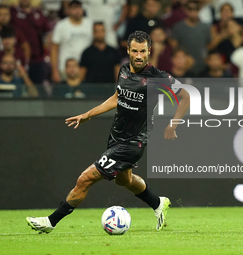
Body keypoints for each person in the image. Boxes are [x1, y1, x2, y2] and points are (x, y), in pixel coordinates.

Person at [26, 30, 190, 233]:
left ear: (149, 51)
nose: (139, 56)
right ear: (128, 50)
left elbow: (185, 97)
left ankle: (50, 222)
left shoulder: (158, 77)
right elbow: (116, 97)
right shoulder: (123, 71)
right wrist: (88, 114)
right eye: (135, 51)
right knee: (125, 180)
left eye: (143, 51)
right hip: (116, 137)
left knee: (85, 179)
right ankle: (158, 203)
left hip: (133, 142)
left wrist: (173, 124)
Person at [51, 0, 92, 83]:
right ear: (68, 10)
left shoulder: (89, 24)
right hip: (65, 69)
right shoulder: (61, 25)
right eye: (74, 8)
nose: (77, 11)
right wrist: (54, 71)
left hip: (85, 68)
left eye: (79, 8)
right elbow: (54, 49)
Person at [10, 0, 50, 84]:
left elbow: (48, 32)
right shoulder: (13, 12)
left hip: (37, 59)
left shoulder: (38, 12)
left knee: (37, 88)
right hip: (19, 58)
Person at [171, 0, 211, 75]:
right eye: (190, 9)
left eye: (196, 9)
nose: (193, 12)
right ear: (185, 10)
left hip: (202, 67)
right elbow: (174, 47)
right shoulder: (178, 27)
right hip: (184, 68)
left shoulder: (205, 27)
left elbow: (208, 46)